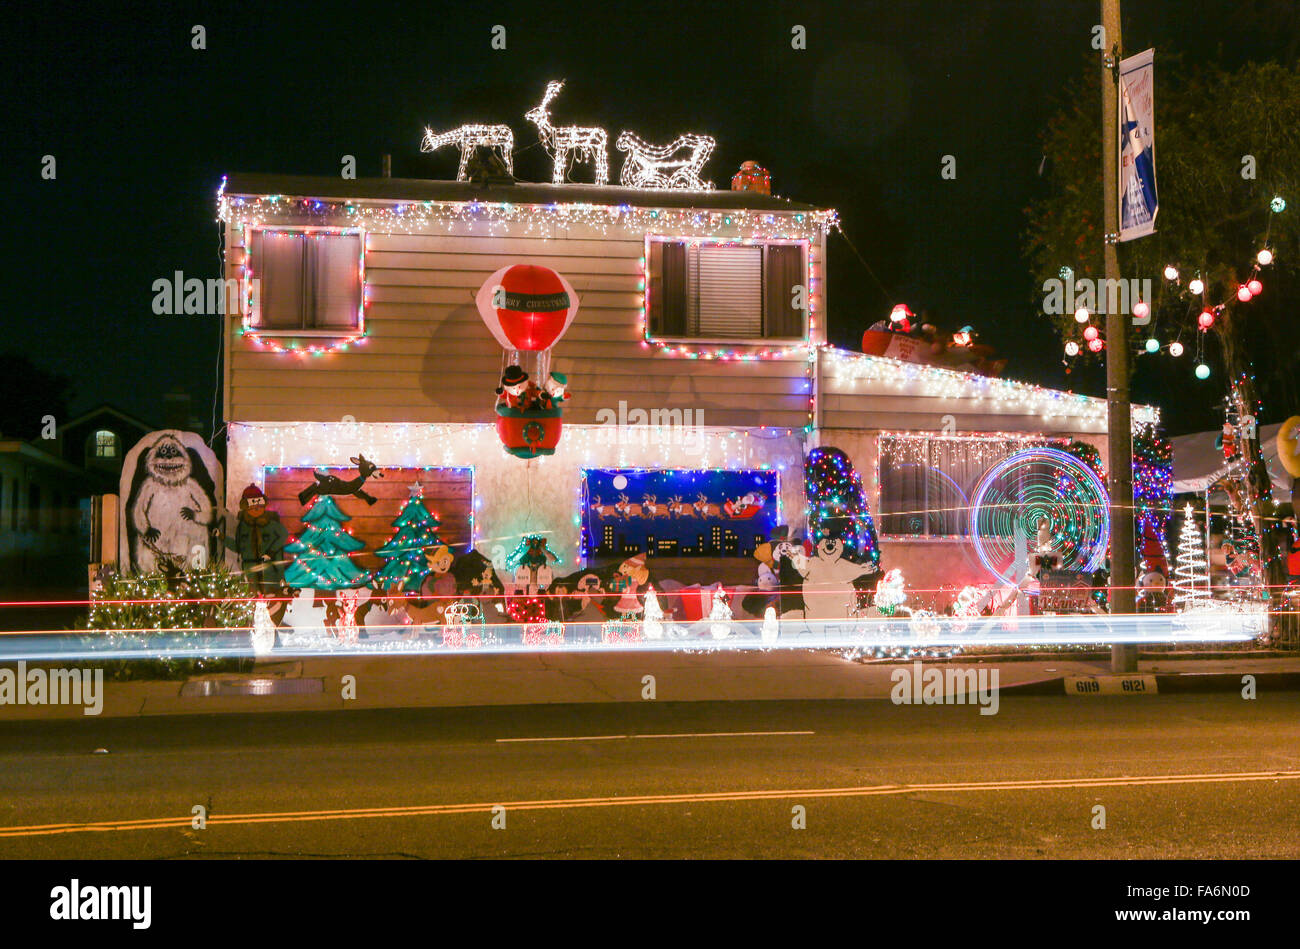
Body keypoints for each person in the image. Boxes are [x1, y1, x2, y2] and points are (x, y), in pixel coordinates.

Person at [227, 485, 289, 597]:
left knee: (271, 593)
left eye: (259, 505)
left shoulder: (270, 523)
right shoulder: (242, 526)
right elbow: (238, 546)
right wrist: (221, 537)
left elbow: (283, 535)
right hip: (249, 568)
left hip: (268, 568)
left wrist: (271, 552)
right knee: (251, 594)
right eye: (252, 505)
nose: (256, 508)